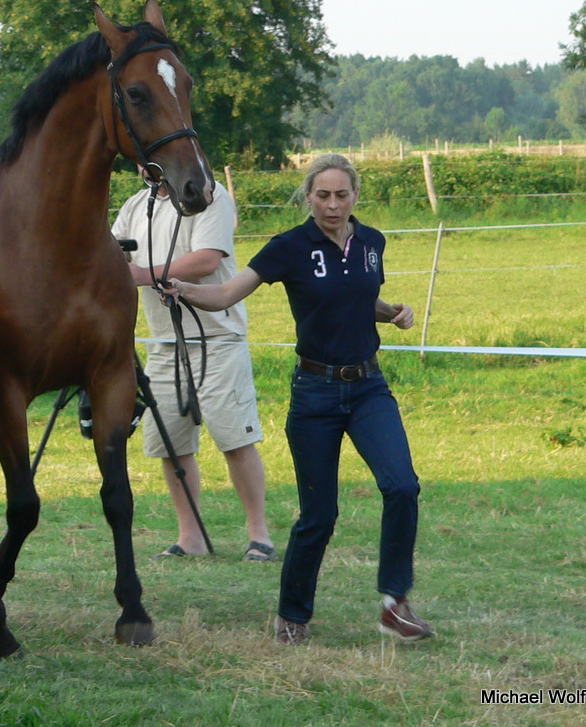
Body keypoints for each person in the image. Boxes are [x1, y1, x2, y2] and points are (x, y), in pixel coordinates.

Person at [167, 153, 433, 644]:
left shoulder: (372, 243)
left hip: (369, 388)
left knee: (402, 486)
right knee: (319, 515)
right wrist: (181, 289)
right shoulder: (288, 247)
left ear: (355, 196)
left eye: (342, 195)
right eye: (322, 195)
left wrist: (392, 312)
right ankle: (292, 616)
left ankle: (395, 604)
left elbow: (356, 295)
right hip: (315, 396)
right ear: (308, 196)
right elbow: (226, 295)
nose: (332, 205)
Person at [111, 167, 275, 562]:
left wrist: (140, 274)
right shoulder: (135, 205)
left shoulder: (209, 196)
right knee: (171, 443)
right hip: (163, 343)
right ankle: (191, 537)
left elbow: (205, 260)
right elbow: (112, 255)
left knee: (235, 439)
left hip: (218, 340)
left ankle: (259, 534)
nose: (147, 164)